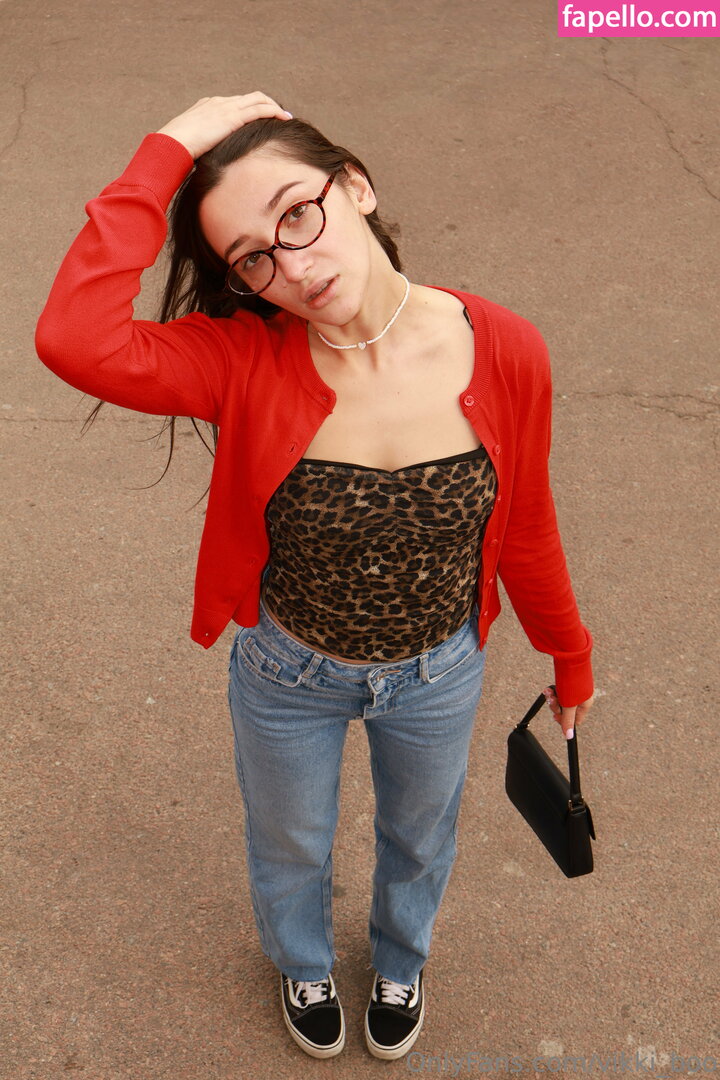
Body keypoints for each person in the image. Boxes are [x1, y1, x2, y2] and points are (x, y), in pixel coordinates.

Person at [36, 92, 594, 1061]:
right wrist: (172, 146)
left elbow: (527, 522)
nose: (291, 266)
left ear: (356, 187)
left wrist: (569, 652)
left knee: (420, 838)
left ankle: (401, 959)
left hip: (438, 673)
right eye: (253, 257)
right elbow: (73, 338)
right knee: (289, 841)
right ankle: (302, 960)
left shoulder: (506, 348)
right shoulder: (239, 360)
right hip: (288, 673)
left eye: (297, 213)